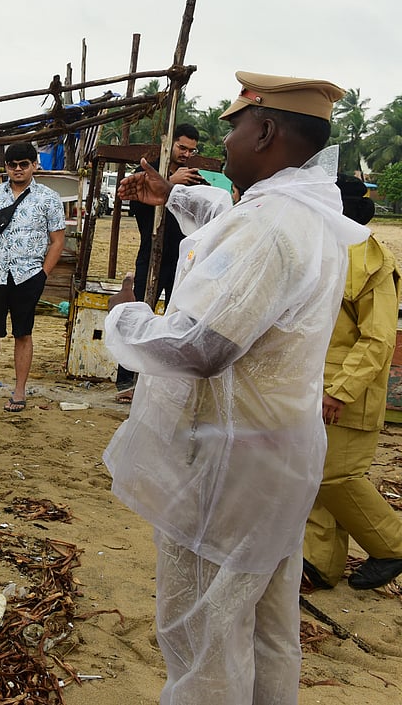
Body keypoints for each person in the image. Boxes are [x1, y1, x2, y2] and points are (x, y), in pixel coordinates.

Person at [104, 71, 364, 705]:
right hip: (279, 454)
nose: (226, 145)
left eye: (236, 129)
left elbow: (200, 349)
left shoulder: (271, 227)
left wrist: (126, 317)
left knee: (204, 632)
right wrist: (170, 195)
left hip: (230, 462)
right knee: (267, 627)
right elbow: (224, 218)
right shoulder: (307, 211)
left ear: (267, 130)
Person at [302, 173, 402, 591]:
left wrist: (340, 390)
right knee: (314, 474)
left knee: (336, 477)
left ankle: (393, 545)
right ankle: (320, 562)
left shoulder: (371, 258)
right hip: (317, 384)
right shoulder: (325, 250)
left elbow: (378, 338)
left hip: (347, 391)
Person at [0, 142, 65, 410]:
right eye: (12, 165)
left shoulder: (49, 198)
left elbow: (57, 241)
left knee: (23, 333)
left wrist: (43, 275)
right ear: (5, 167)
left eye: (24, 164)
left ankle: (19, 391)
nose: (18, 169)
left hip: (28, 276)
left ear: (34, 165)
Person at [114, 123, 206, 403]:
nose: (187, 154)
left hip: (184, 261)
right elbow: (135, 204)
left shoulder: (194, 178)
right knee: (138, 314)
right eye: (182, 148)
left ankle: (160, 382)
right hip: (151, 256)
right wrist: (169, 183)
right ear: (170, 143)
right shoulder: (148, 172)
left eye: (192, 150)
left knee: (176, 320)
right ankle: (126, 380)